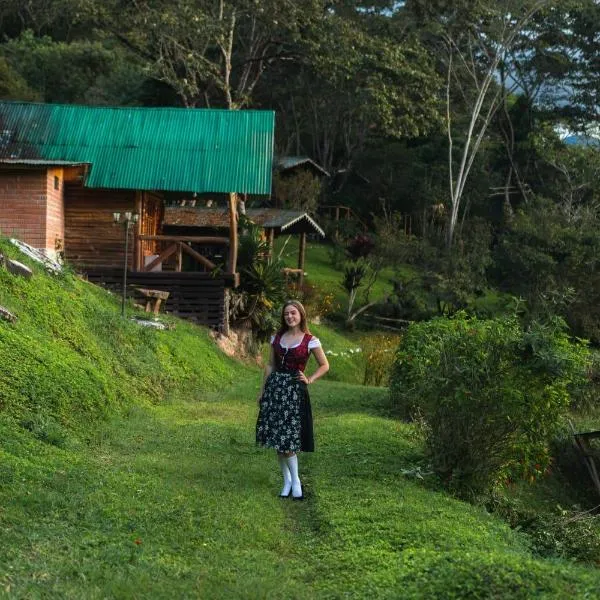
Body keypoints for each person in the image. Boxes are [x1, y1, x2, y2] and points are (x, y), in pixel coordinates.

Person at [256, 300, 329, 500]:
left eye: (293, 313)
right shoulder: (277, 337)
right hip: (275, 390)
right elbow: (270, 365)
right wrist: (263, 390)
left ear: (301, 315)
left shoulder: (310, 340)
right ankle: (287, 480)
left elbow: (324, 365)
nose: (290, 316)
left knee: (288, 439)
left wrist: (310, 379)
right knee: (277, 437)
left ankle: (296, 480)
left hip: (294, 391)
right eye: (287, 313)